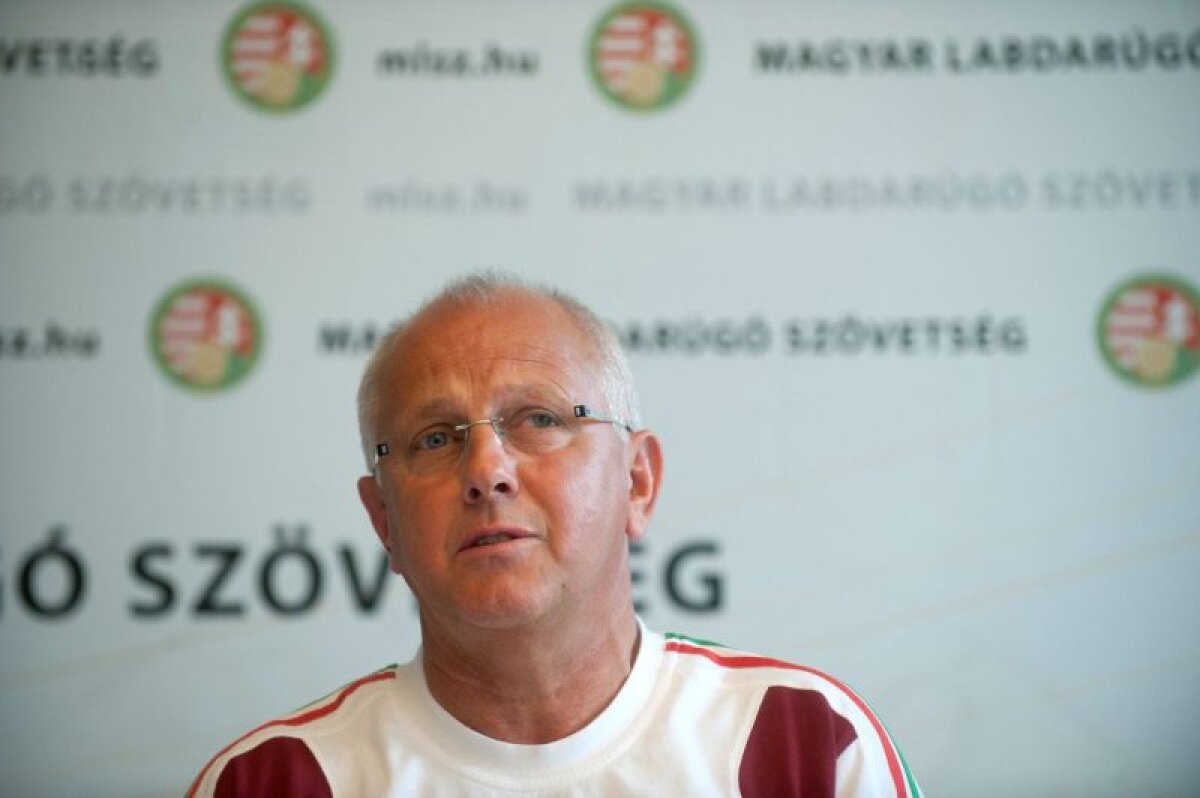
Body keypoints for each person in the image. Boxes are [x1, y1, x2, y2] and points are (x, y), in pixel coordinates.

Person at [188, 273, 921, 797]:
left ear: (638, 481)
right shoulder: (271, 782)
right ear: (384, 521)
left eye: (538, 419)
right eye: (436, 439)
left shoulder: (803, 744)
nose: (486, 471)